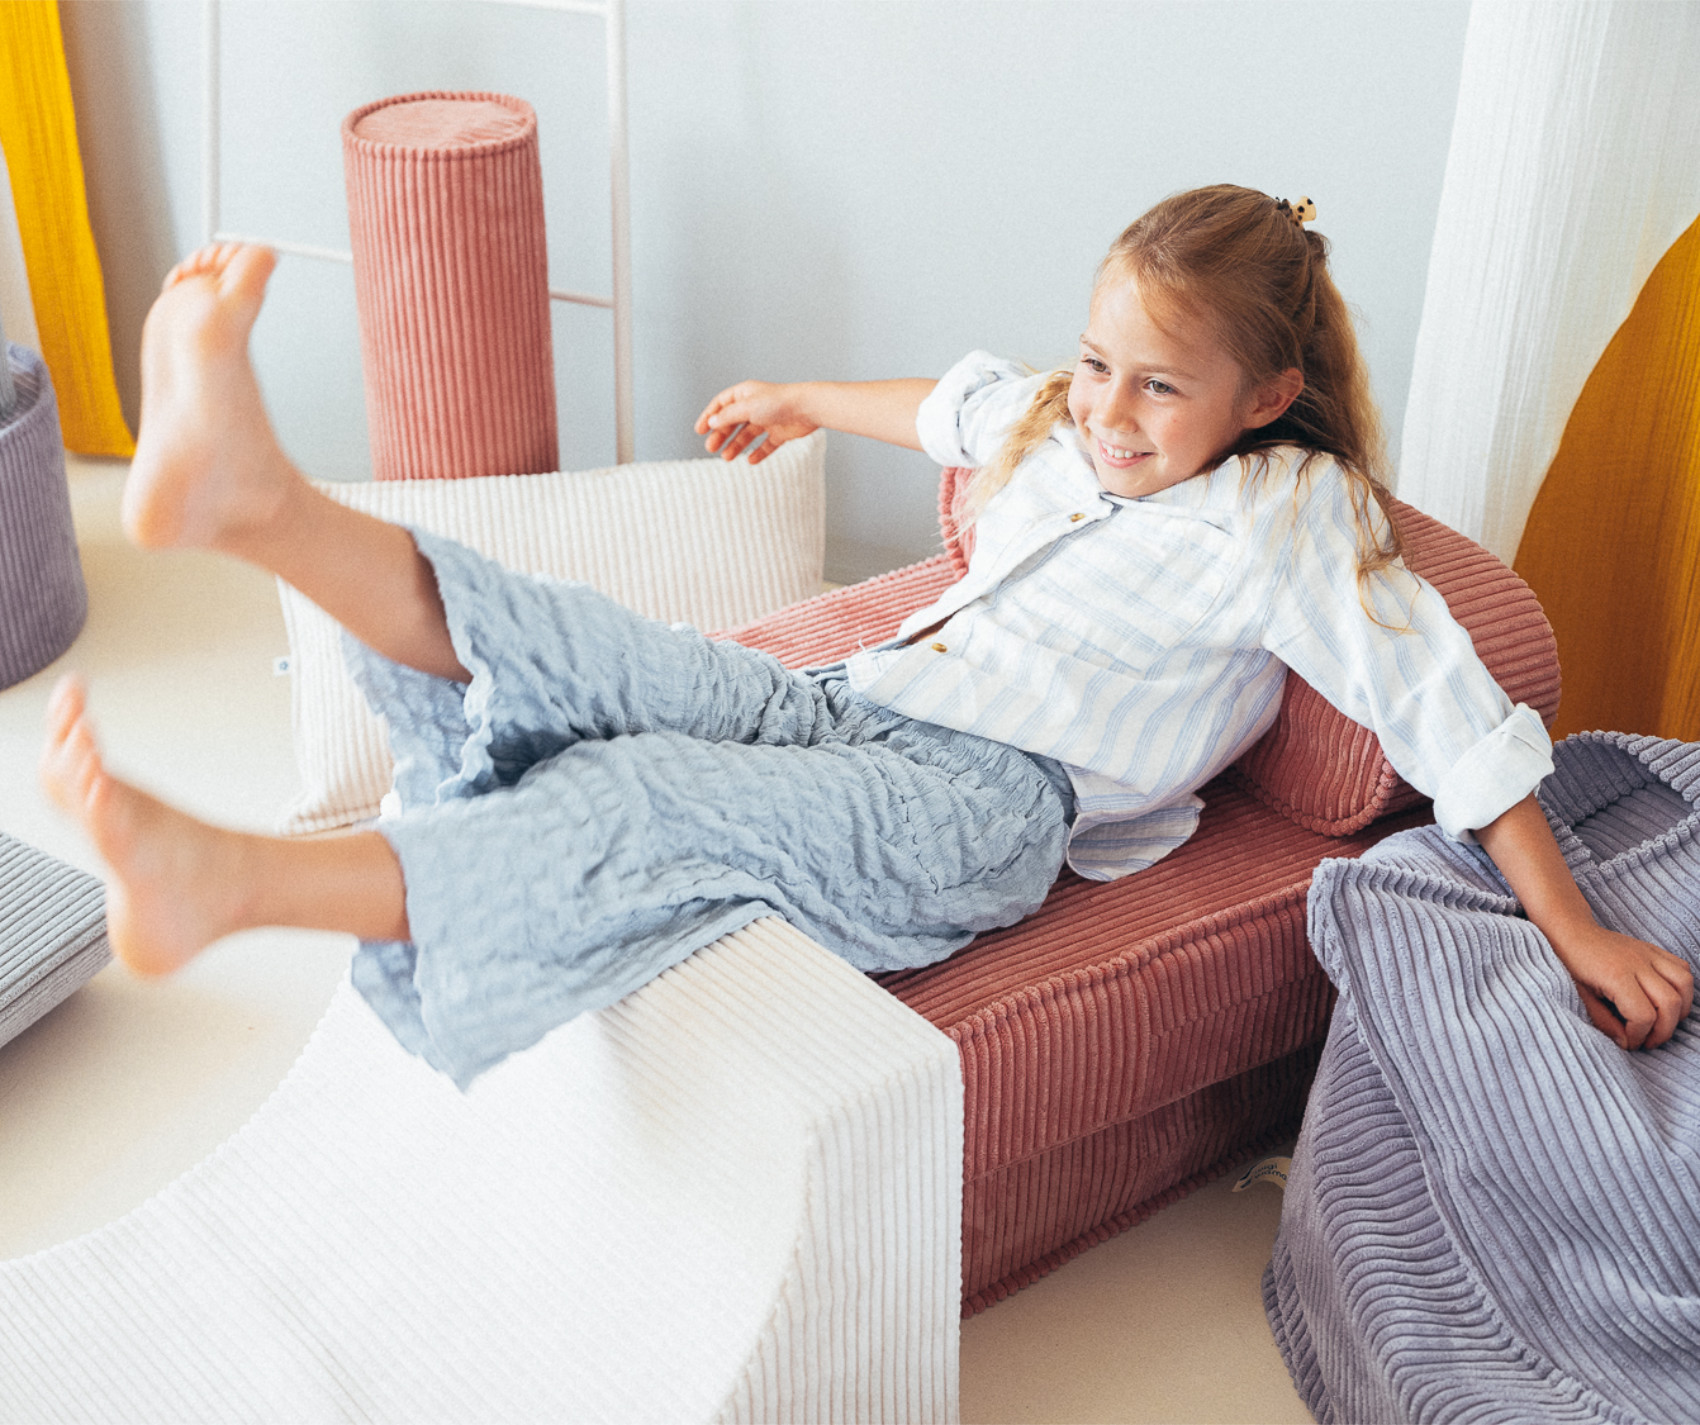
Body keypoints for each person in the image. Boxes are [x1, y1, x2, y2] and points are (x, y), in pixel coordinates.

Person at [42, 188, 1691, 1088]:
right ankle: (258, 501)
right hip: (859, 694)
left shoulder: (1289, 512)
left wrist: (1573, 929)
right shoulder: (1065, 420)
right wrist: (796, 396)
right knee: (604, 653)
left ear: (1265, 394)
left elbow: (1445, 703)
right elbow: (954, 404)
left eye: (1159, 386)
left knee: (636, 799)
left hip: (989, 804)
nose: (1108, 409)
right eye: (1099, 361)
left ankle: (233, 881)